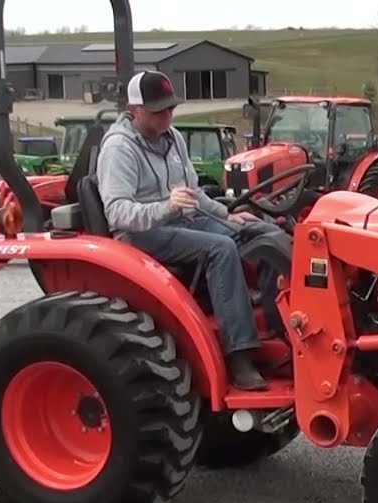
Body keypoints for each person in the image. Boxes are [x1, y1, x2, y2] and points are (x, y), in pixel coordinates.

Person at [95, 70, 283, 391]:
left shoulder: (174, 138)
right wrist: (166, 207)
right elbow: (118, 212)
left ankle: (280, 332)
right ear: (135, 109)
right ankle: (239, 354)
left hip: (179, 219)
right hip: (140, 233)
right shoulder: (119, 148)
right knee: (220, 249)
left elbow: (193, 193)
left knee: (262, 235)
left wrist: (228, 214)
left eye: (171, 108)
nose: (168, 115)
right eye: (159, 111)